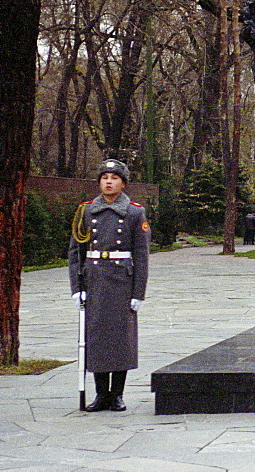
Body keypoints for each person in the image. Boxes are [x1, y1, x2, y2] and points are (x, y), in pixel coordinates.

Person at [68, 159, 150, 412]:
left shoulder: (135, 213)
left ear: (123, 183)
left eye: (114, 178)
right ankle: (101, 393)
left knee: (121, 338)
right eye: (104, 177)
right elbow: (75, 253)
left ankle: (117, 394)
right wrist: (76, 287)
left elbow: (142, 256)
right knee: (97, 337)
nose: (108, 182)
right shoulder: (85, 211)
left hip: (122, 282)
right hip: (95, 279)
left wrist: (139, 293)